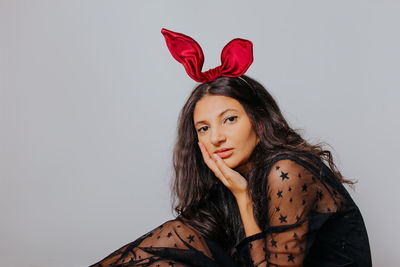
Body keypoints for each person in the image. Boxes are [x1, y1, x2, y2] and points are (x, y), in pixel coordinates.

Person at [89, 28, 372, 267]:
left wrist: (243, 198)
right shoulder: (230, 184)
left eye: (230, 120)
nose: (216, 138)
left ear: (259, 121)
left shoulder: (286, 170)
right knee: (173, 237)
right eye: (204, 128)